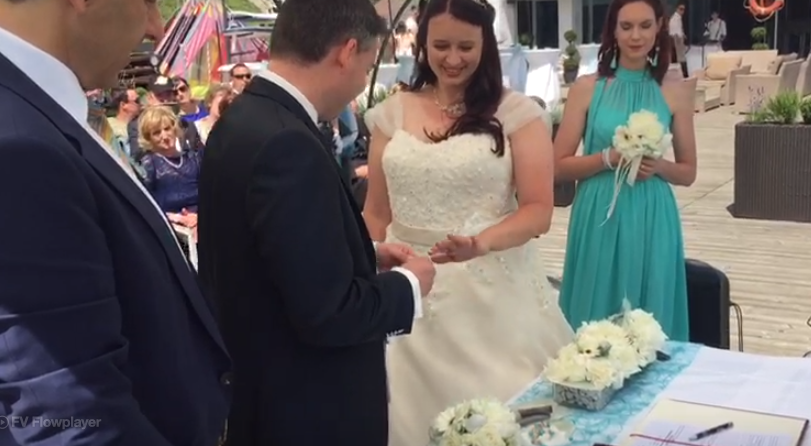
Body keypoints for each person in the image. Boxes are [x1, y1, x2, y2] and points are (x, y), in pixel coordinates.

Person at [196, 0, 437, 445]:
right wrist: (408, 285)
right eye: (367, 67)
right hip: (308, 411)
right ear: (347, 51)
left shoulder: (243, 121)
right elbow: (329, 312)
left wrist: (364, 254)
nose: (362, 82)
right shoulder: (288, 143)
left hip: (258, 392)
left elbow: (270, 254)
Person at [0, 1, 230, 446]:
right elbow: (71, 417)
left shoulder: (34, 113)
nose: (156, 27)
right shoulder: (19, 144)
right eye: (147, 2)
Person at [362, 0, 574, 444]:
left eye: (466, 46)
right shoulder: (393, 112)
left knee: (504, 408)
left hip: (490, 287)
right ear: (422, 45)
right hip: (406, 283)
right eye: (441, 46)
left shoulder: (517, 112)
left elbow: (538, 210)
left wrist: (481, 242)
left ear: (485, 46)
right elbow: (377, 211)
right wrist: (359, 268)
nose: (453, 59)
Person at [554, 0, 697, 341]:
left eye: (645, 26)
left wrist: (658, 166)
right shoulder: (587, 88)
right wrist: (607, 158)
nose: (636, 36)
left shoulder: (675, 92)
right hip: (599, 211)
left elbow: (688, 172)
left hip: (652, 213)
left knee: (649, 315)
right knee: (593, 313)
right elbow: (556, 166)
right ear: (613, 31)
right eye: (627, 26)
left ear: (659, 26)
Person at [139, 106, 203, 213]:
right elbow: (145, 205)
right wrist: (175, 218)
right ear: (148, 138)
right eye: (157, 133)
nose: (164, 137)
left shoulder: (192, 158)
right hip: (170, 220)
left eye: (167, 129)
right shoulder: (149, 164)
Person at [669, 3, 688, 78]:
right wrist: (679, 38)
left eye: (683, 9)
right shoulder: (674, 19)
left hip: (678, 39)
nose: (682, 11)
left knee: (679, 59)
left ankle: (683, 75)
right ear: (676, 9)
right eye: (680, 9)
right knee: (680, 58)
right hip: (676, 40)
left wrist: (682, 35)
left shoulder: (678, 18)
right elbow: (674, 32)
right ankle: (684, 75)